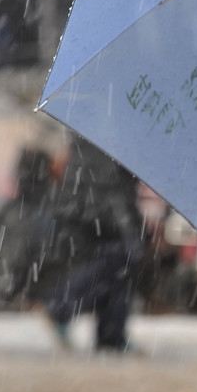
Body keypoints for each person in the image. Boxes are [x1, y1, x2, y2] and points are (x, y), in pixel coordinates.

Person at [41, 135, 145, 352]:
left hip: (85, 203)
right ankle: (61, 304)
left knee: (119, 264)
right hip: (97, 205)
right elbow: (109, 179)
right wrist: (127, 220)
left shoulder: (96, 123)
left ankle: (111, 335)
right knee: (121, 258)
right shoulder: (114, 131)